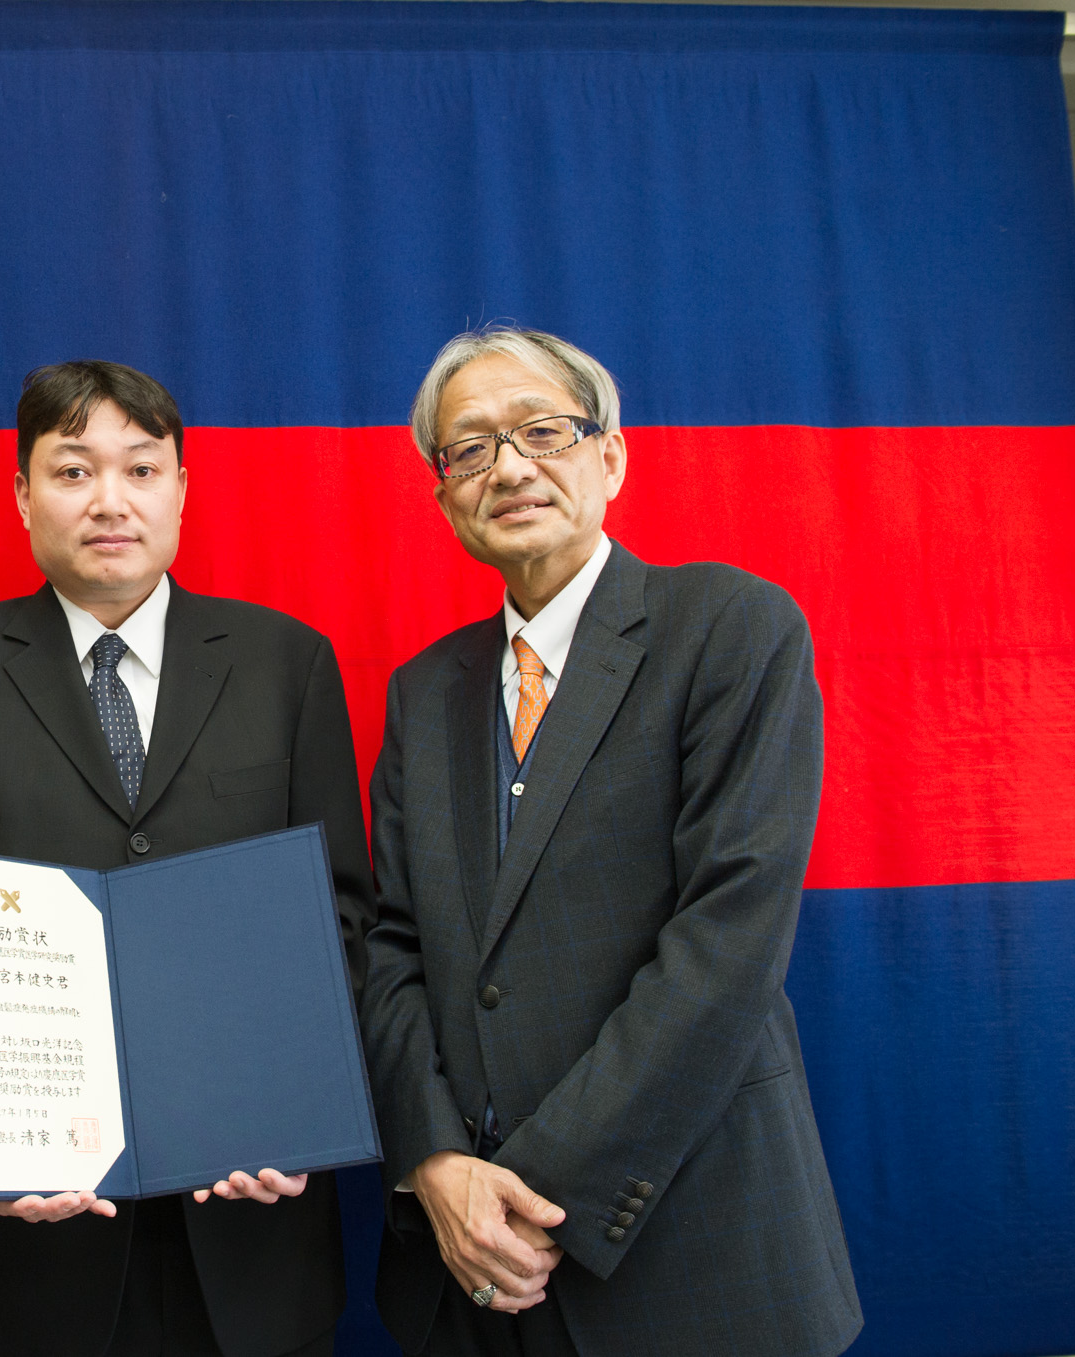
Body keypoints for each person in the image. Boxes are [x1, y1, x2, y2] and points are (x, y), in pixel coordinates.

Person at [360, 326, 862, 1357]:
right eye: (470, 448)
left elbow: (728, 937)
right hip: (468, 1265)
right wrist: (435, 1162)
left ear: (611, 455)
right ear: (444, 495)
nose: (509, 467)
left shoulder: (728, 627)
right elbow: (393, 945)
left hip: (688, 1240)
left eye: (542, 430)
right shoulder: (423, 692)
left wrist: (534, 1187)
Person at [0, 360, 374, 1357]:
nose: (109, 500)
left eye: (141, 469)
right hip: (35, 1234)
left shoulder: (287, 662)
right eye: (72, 471)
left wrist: (291, 1106)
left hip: (252, 1218)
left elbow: (341, 915)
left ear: (181, 488)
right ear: (21, 493)